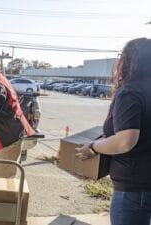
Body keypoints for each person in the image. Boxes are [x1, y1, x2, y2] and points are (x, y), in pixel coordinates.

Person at [75, 38, 151, 225]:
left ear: (129, 61)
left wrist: (93, 147)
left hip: (134, 188)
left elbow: (125, 141)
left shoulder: (131, 92)